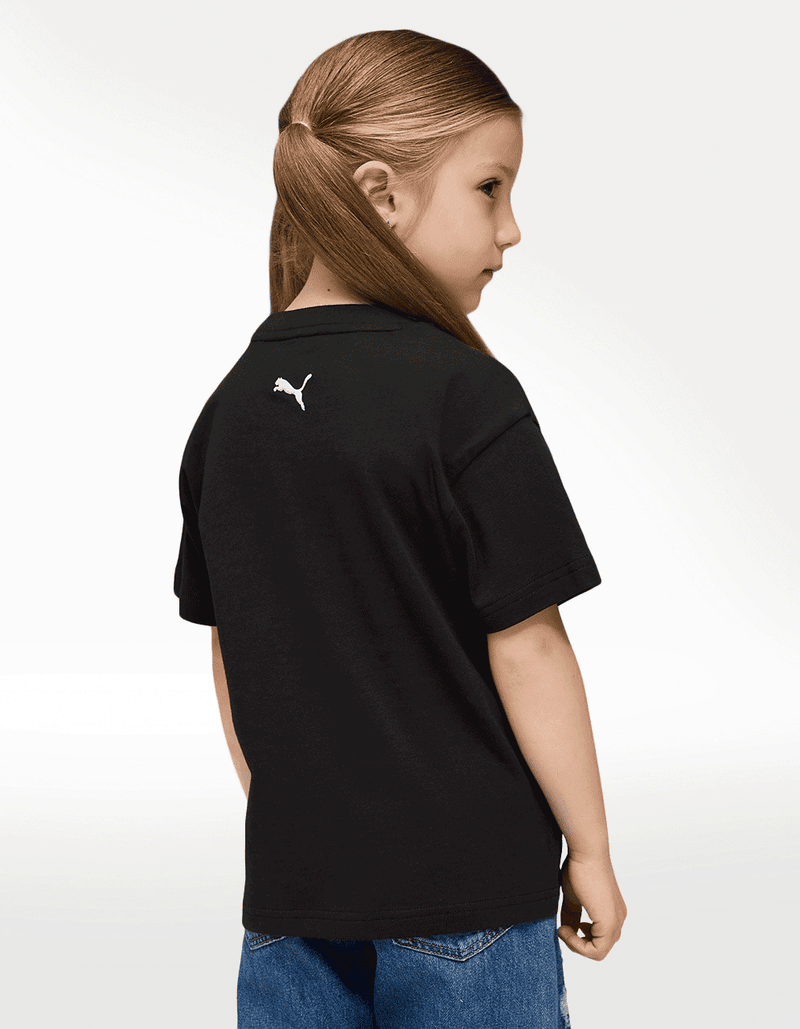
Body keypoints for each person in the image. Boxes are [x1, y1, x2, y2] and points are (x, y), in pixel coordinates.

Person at [173, 27, 627, 1028]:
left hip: (292, 902)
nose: (511, 229)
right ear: (380, 194)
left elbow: (232, 650)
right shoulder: (466, 396)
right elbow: (528, 646)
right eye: (489, 188)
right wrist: (590, 849)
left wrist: (296, 819)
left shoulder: (229, 412)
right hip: (470, 894)